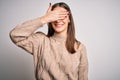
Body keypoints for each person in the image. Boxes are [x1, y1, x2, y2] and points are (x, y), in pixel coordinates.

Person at [10, 2, 88, 80]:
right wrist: (44, 19)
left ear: (69, 19)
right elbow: (15, 34)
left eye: (62, 16)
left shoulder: (79, 47)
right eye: (55, 16)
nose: (58, 20)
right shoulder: (41, 41)